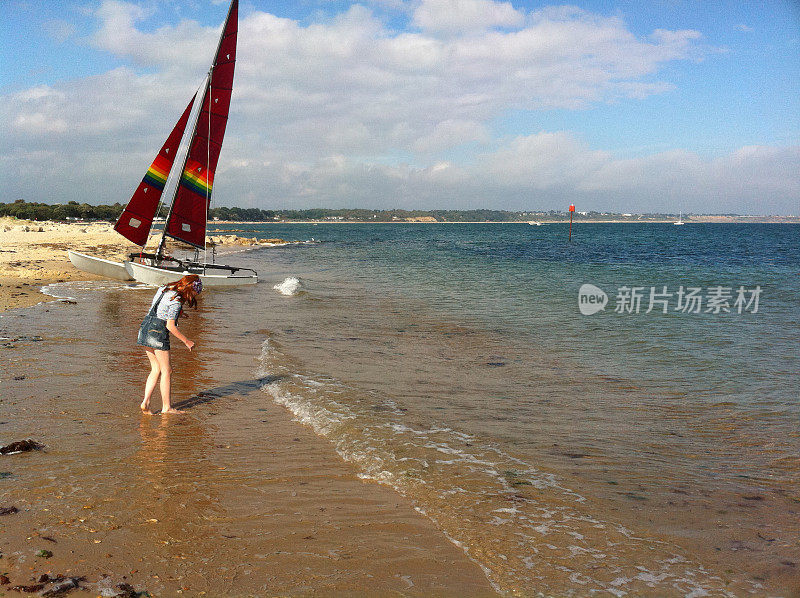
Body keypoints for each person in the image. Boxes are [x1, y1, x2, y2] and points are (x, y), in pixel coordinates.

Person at [137, 274, 203, 414]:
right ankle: (167, 407)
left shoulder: (165, 288)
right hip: (158, 332)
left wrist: (179, 313)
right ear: (189, 289)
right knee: (167, 370)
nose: (193, 297)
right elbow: (170, 326)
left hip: (144, 328)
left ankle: (146, 402)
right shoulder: (177, 301)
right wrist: (187, 341)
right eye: (194, 293)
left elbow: (160, 307)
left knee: (155, 368)